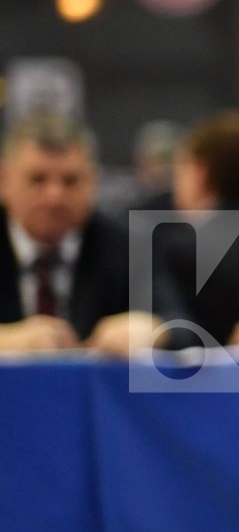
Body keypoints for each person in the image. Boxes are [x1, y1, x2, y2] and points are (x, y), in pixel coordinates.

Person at [0, 113, 167, 355]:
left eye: (70, 181)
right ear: (4, 180)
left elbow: (182, 320)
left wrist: (153, 329)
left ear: (93, 181)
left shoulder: (127, 246)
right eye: (37, 179)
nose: (54, 196)